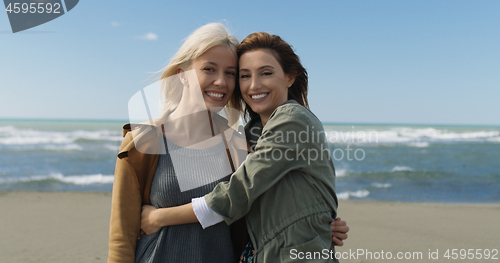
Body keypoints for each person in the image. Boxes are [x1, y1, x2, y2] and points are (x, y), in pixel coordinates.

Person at [139, 31, 344, 263]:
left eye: (266, 73)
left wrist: (158, 218)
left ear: (290, 77)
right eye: (244, 76)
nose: (254, 85)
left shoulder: (292, 120)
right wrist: (316, 217)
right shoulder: (250, 134)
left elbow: (238, 193)